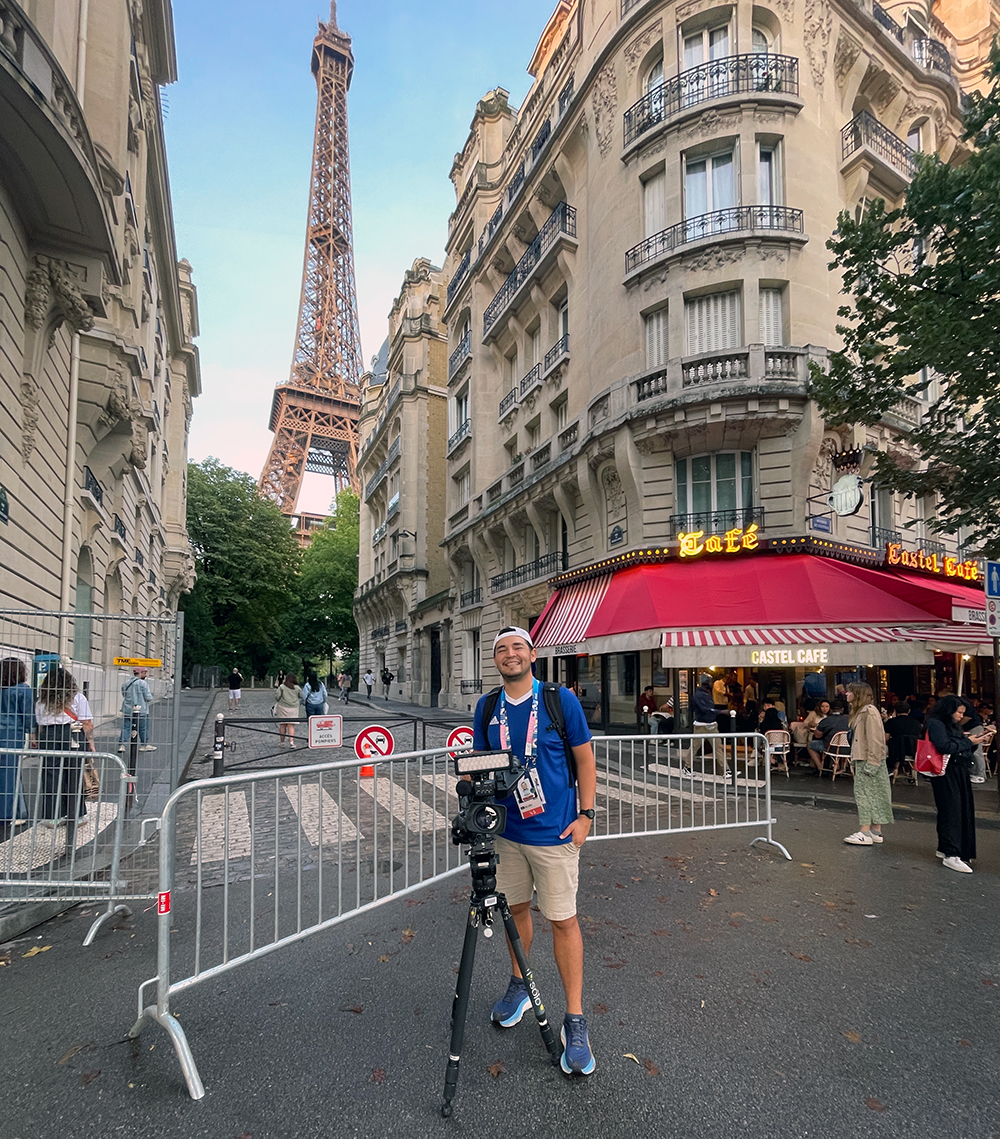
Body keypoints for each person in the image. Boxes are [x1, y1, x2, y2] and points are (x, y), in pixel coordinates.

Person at [473, 626, 597, 1077]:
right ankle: (519, 985)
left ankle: (575, 1018)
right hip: (507, 834)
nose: (510, 655)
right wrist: (470, 783)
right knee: (516, 912)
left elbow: (584, 759)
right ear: (495, 660)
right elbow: (481, 764)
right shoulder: (487, 707)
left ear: (532, 654)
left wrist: (586, 816)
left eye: (517, 647)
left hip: (554, 834)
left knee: (563, 921)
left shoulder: (559, 701)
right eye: (501, 649)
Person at [924, 695, 990, 873]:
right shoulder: (936, 724)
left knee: (958, 809)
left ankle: (948, 848)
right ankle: (951, 852)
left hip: (956, 770)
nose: (961, 716)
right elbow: (944, 746)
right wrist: (969, 741)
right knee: (951, 809)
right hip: (946, 772)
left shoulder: (947, 724)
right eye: (959, 712)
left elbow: (956, 745)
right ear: (949, 710)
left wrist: (974, 742)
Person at [31, 667, 93, 828]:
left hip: (49, 735)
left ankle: (52, 816)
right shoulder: (78, 698)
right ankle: (76, 814)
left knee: (50, 774)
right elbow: (87, 723)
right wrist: (90, 743)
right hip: (73, 732)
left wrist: (36, 739)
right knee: (74, 773)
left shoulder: (41, 702)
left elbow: (38, 724)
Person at [843, 682, 893, 846]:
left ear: (857, 694)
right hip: (868, 759)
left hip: (868, 760)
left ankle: (865, 831)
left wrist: (871, 763)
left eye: (850, 691)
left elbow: (875, 739)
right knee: (875, 794)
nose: (846, 694)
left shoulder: (868, 712)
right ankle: (875, 830)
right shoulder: (866, 711)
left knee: (864, 795)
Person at [0, 658, 33, 827]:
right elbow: (28, 717)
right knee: (9, 776)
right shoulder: (23, 690)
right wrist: (33, 734)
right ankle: (5, 815)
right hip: (12, 736)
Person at [691, 673, 728, 777]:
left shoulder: (707, 693)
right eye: (709, 681)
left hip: (711, 723)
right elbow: (704, 709)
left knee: (717, 748)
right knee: (694, 747)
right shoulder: (698, 695)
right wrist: (720, 712)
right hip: (701, 725)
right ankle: (687, 767)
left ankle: (725, 770)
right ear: (705, 683)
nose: (712, 683)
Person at [119, 667, 155, 754]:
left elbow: (124, 694)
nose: (145, 675)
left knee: (126, 727)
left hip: (128, 709)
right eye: (144, 673)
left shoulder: (126, 683)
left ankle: (122, 745)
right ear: (140, 673)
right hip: (141, 709)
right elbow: (148, 697)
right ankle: (144, 745)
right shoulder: (143, 683)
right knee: (143, 728)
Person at [808, 699, 849, 774]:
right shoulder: (849, 719)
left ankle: (820, 767)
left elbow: (817, 735)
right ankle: (843, 767)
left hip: (831, 748)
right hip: (849, 748)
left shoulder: (826, 720)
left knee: (810, 745)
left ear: (830, 709)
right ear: (842, 709)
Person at [884, 701, 922, 781]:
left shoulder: (891, 722)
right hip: (913, 751)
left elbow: (886, 739)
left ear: (896, 711)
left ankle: (890, 769)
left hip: (895, 752)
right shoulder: (916, 723)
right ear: (909, 711)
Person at [273, 673, 303, 747]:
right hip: (293, 708)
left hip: (283, 707)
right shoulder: (297, 688)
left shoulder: (282, 687)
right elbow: (301, 696)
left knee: (282, 725)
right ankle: (291, 742)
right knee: (291, 726)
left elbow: (277, 697)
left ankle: (282, 743)